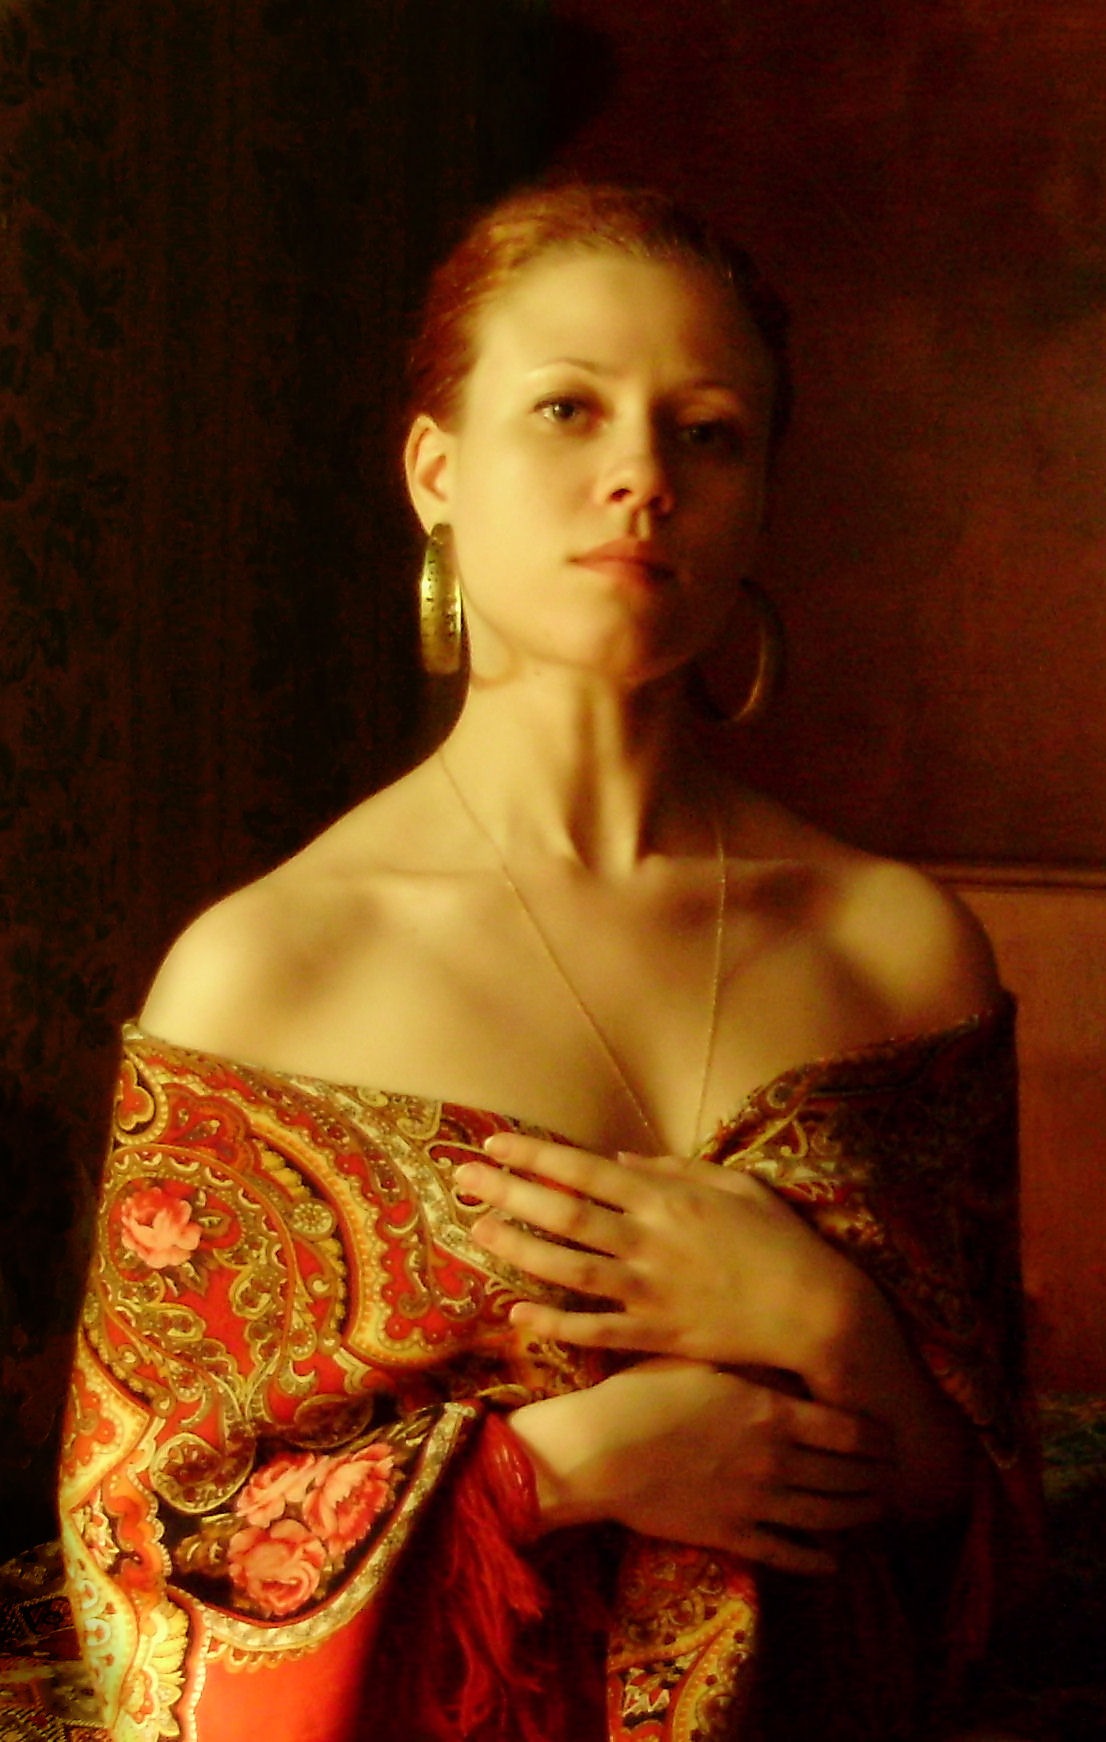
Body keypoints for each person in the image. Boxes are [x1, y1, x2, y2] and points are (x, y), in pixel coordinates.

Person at [59, 183, 1041, 1742]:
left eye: (706, 432)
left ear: (759, 504)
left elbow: (979, 1539)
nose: (642, 476)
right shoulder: (265, 974)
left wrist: (825, 1325)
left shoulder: (898, 949)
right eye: (567, 410)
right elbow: (141, 1561)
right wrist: (557, 1471)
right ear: (434, 473)